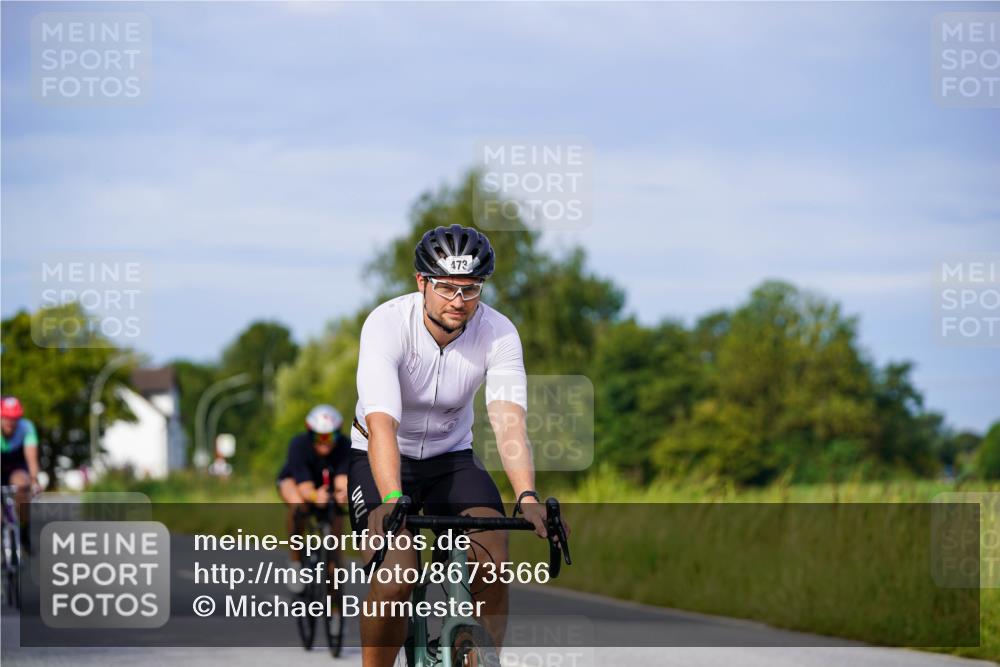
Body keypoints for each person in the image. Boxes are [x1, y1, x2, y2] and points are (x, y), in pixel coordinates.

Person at [348, 223, 568, 667]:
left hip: (452, 460)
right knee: (397, 574)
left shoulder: (498, 333)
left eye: (471, 289)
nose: (459, 301)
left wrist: (526, 496)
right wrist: (391, 496)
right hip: (382, 458)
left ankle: (485, 660)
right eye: (447, 288)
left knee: (491, 561)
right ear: (421, 282)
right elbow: (382, 424)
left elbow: (508, 423)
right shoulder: (387, 324)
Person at [276, 404, 350, 592]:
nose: (325, 442)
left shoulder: (345, 446)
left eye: (330, 436)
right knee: (298, 506)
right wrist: (315, 496)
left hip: (328, 487)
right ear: (310, 434)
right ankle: (295, 562)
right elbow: (304, 486)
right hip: (297, 483)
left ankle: (335, 605)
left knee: (335, 537)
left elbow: (342, 481)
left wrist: (342, 494)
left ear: (338, 434)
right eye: (319, 437)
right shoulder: (298, 445)